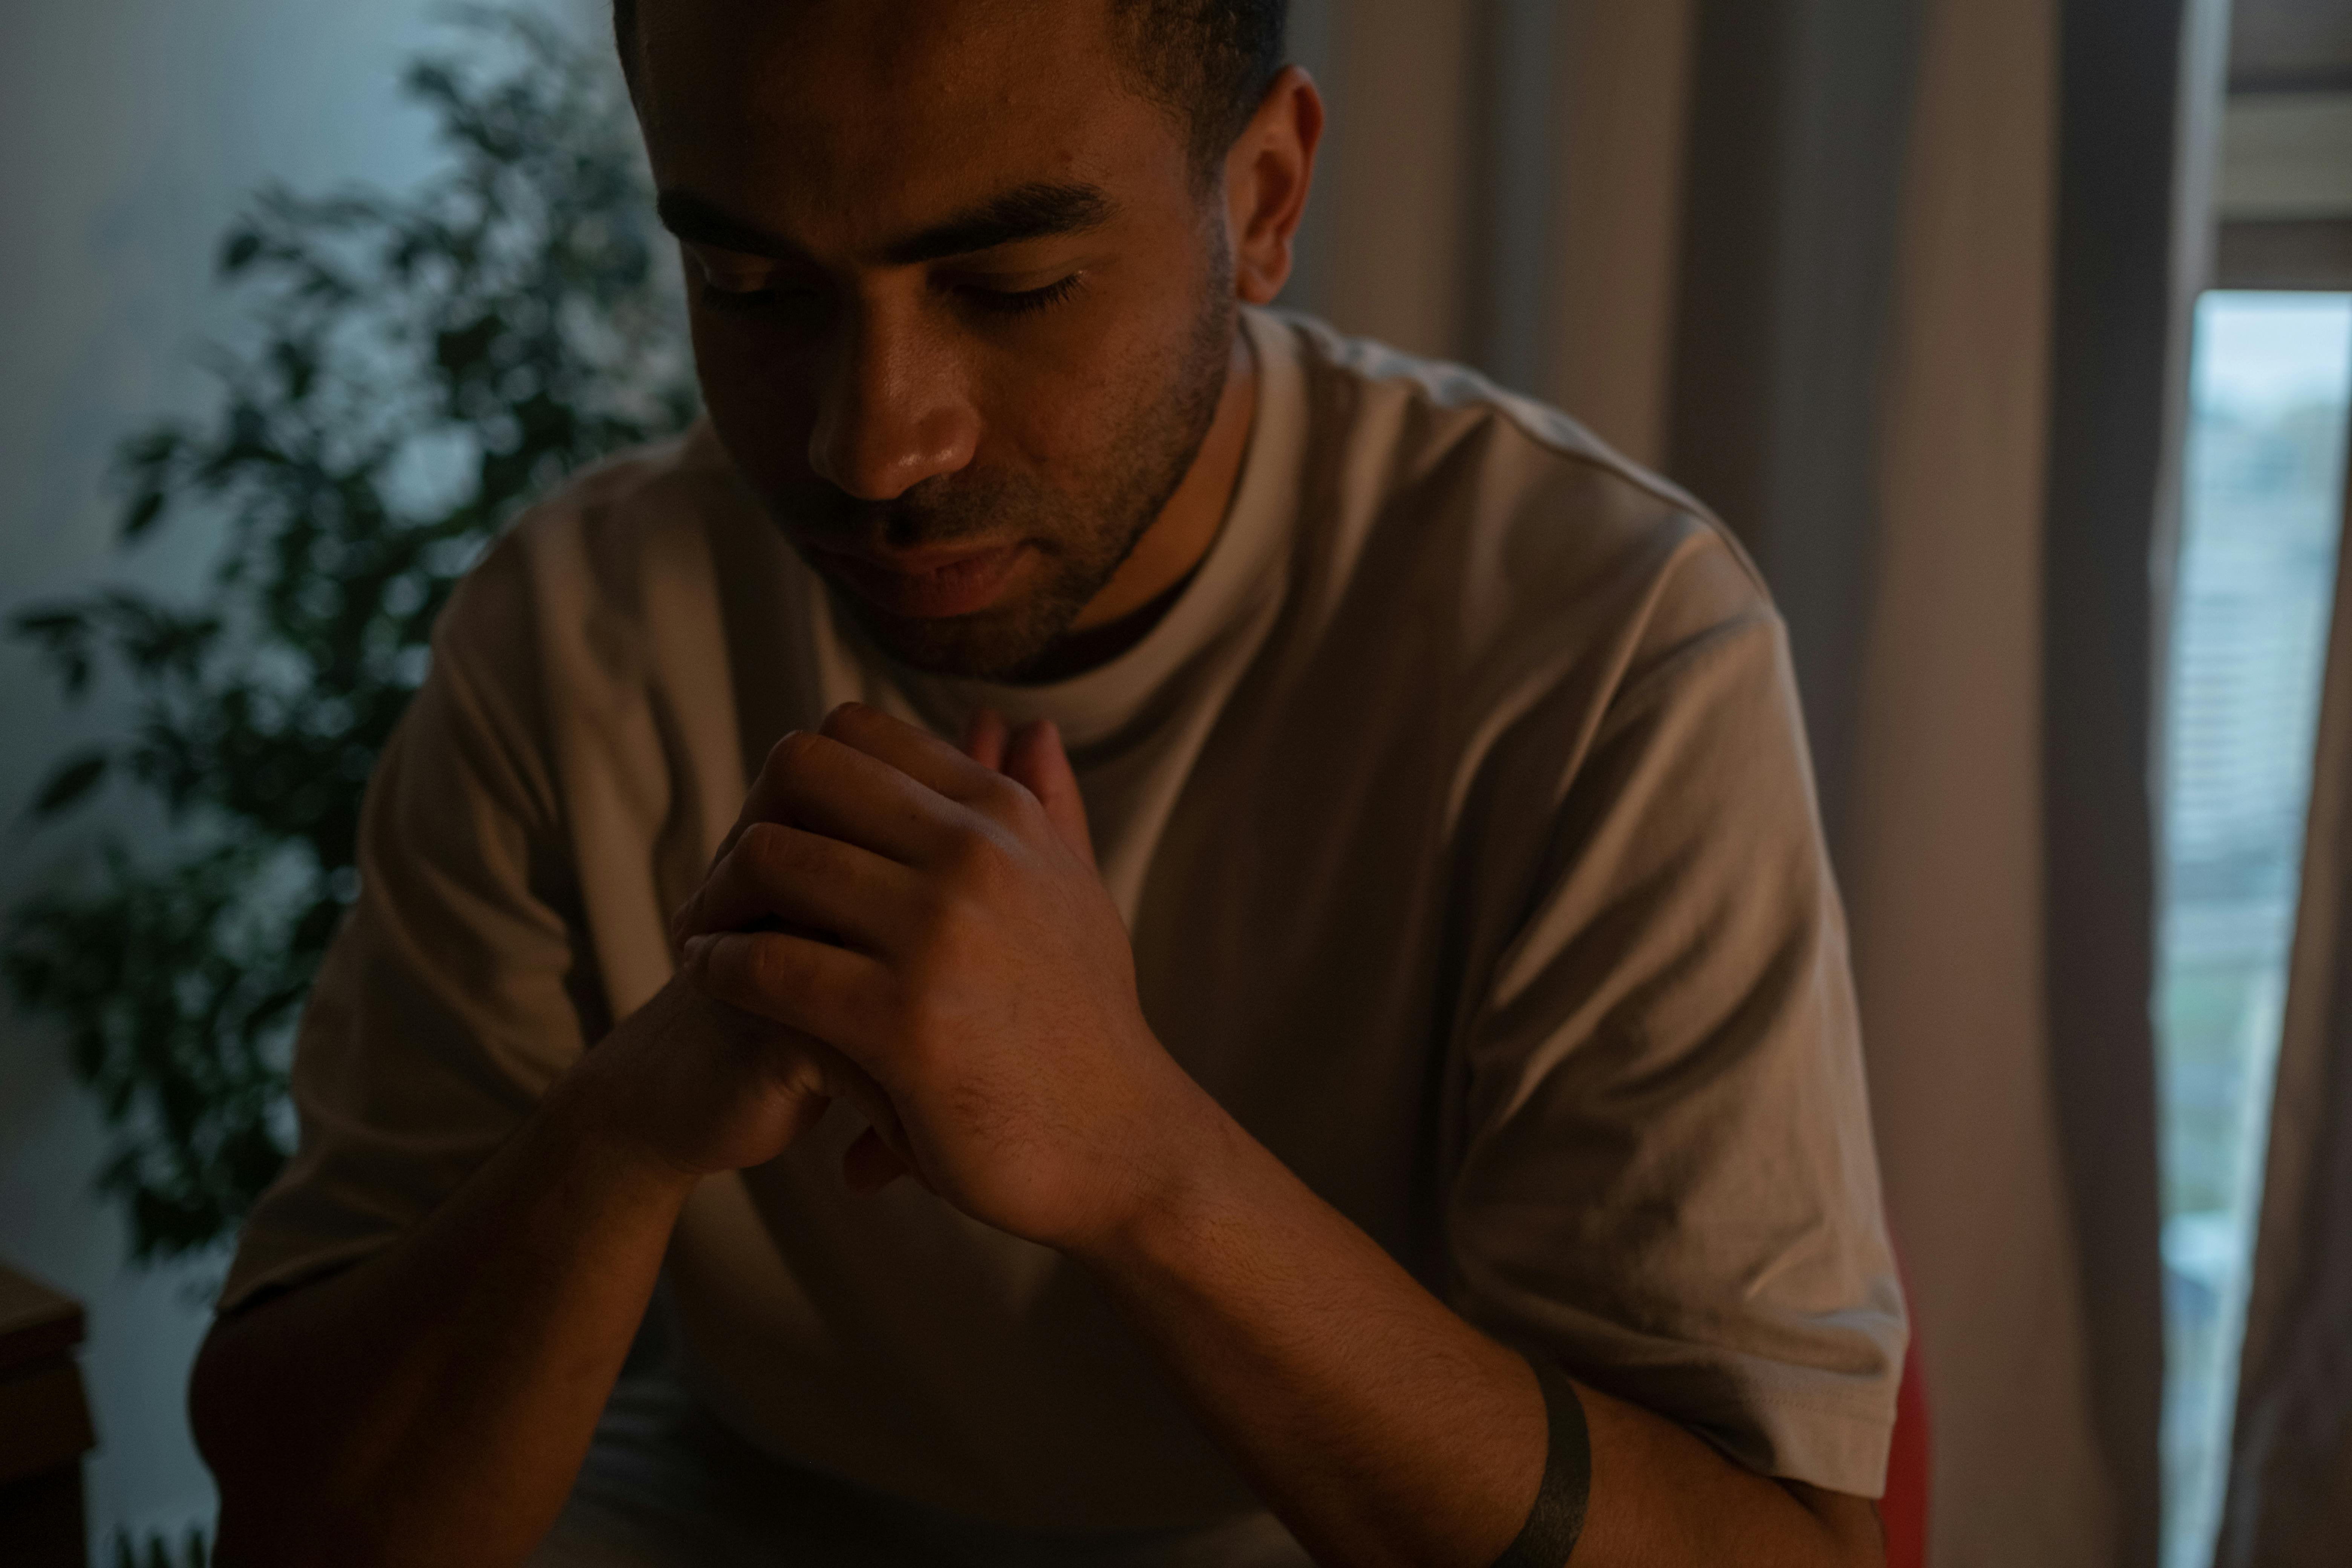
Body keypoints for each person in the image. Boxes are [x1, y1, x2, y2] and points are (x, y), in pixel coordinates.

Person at [189, 1, 1906, 1563]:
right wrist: (624, 1127)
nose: (872, 446)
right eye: (754, 292)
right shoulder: (572, 628)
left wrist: (1145, 1160)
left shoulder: (1602, 646)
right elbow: (300, 1508)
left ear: (1262, 194)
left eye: (1009, 289)